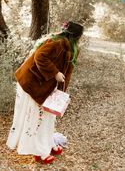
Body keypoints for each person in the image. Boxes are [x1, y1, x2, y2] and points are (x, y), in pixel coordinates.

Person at [6, 21, 84, 164]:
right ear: (77, 36)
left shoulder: (71, 47)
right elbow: (40, 57)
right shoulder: (58, 43)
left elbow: (67, 72)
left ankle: (46, 143)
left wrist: (61, 95)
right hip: (33, 84)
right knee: (37, 117)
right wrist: (55, 73)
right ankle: (39, 152)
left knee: (47, 117)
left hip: (44, 84)